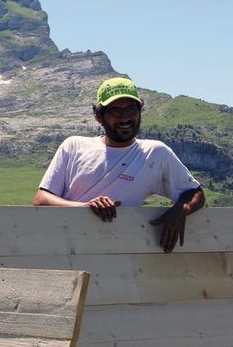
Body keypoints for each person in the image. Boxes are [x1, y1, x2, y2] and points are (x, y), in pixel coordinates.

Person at [33, 77, 206, 252]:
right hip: (65, 249)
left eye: (131, 110)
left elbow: (195, 193)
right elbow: (41, 199)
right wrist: (86, 207)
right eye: (116, 111)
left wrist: (181, 210)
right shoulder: (74, 146)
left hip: (117, 256)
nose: (125, 118)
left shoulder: (155, 153)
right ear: (99, 116)